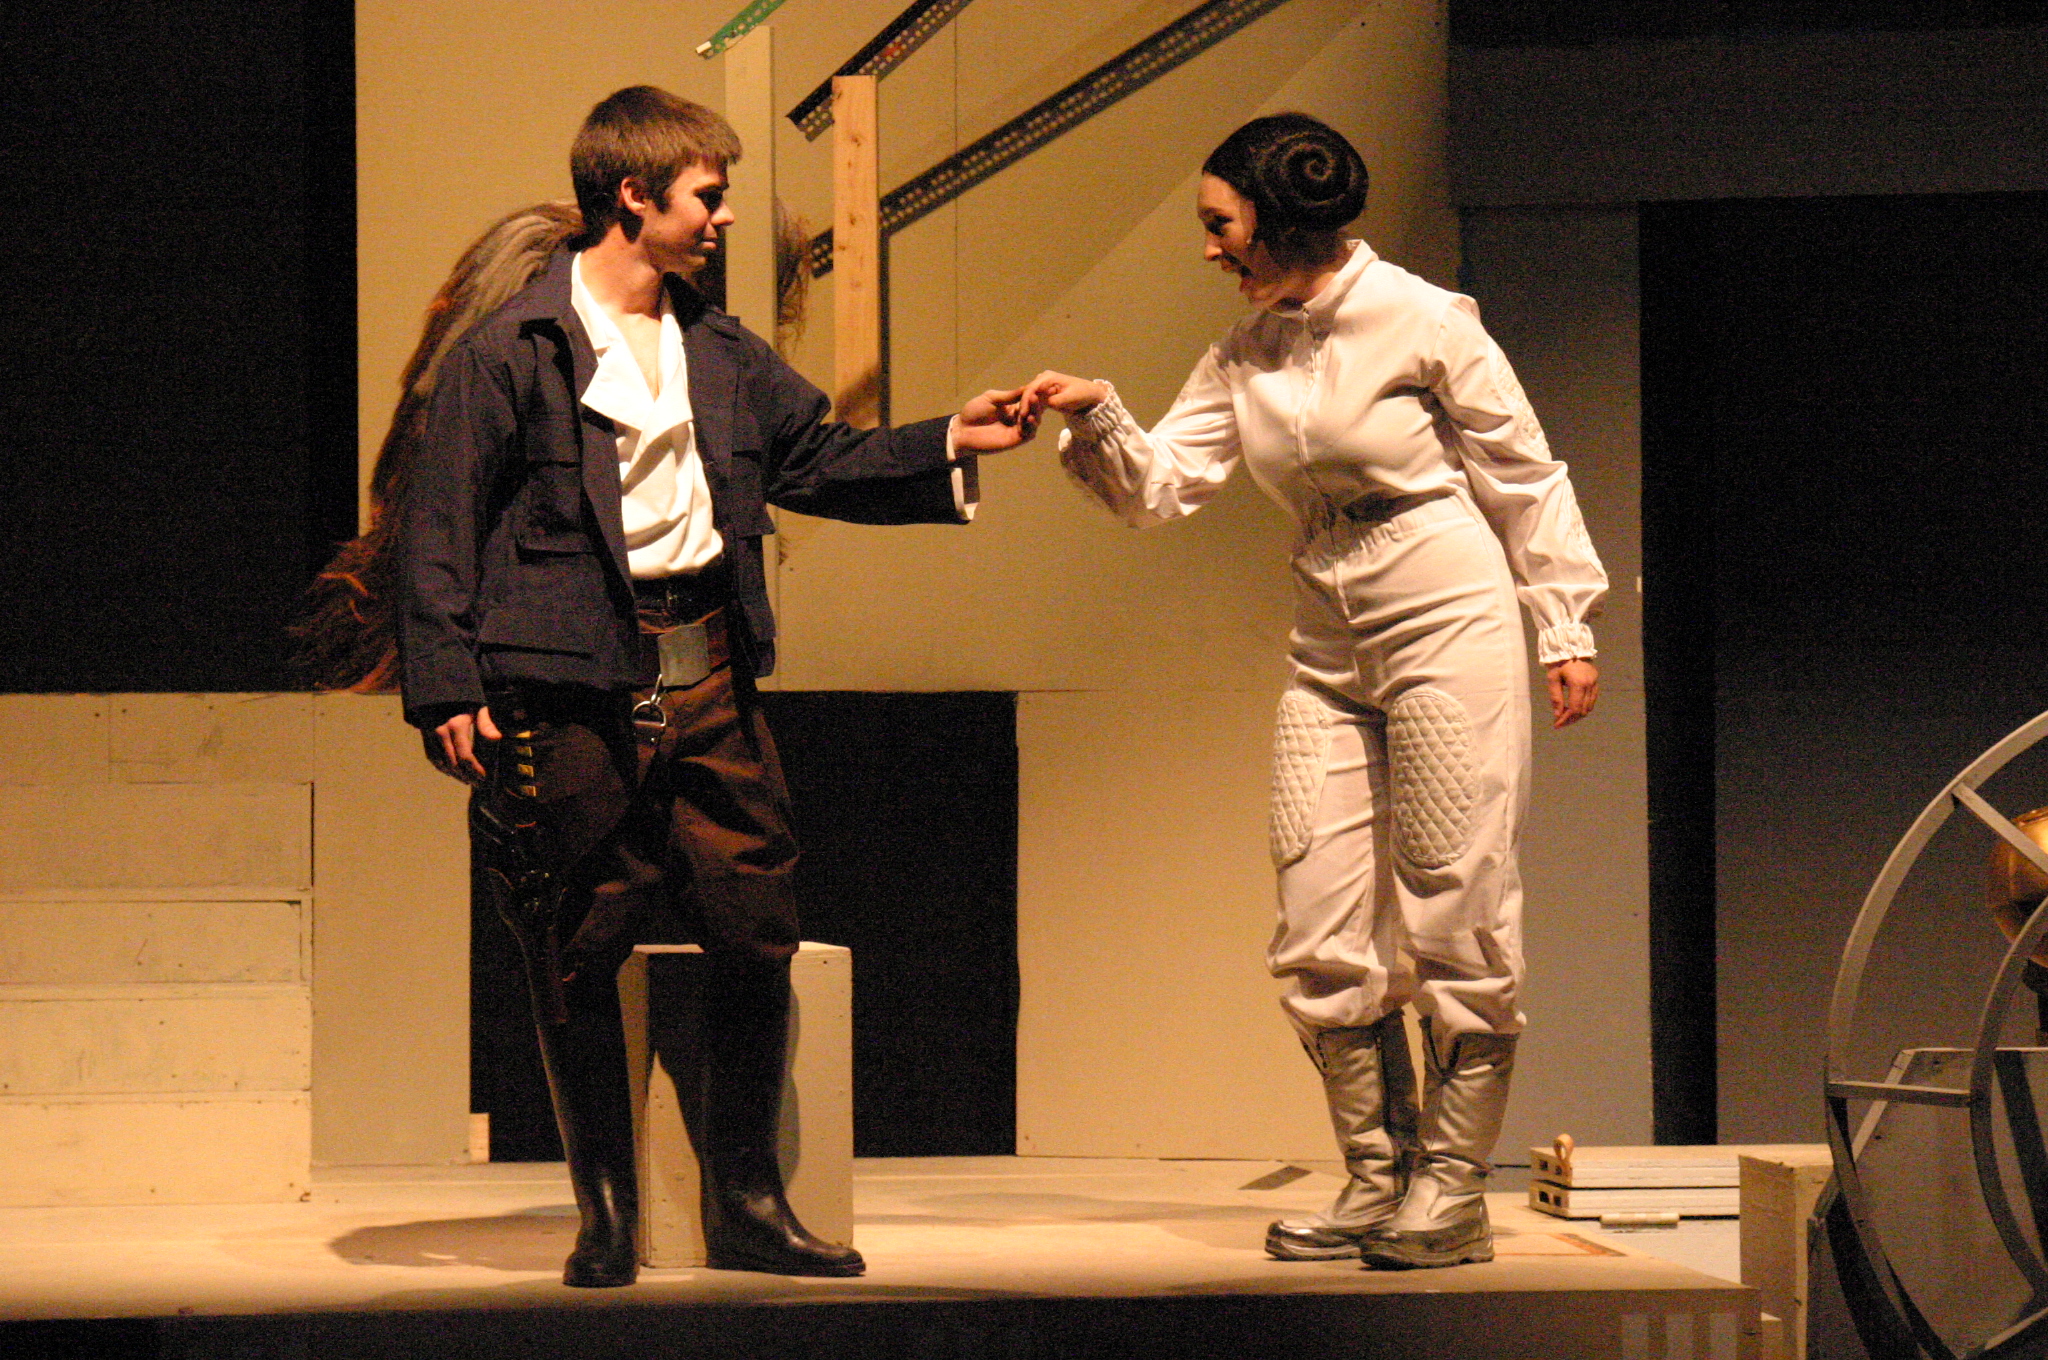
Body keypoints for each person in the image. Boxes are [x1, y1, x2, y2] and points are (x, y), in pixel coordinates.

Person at [394, 86, 1035, 1287]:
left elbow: (819, 458)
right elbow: (440, 526)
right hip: (570, 681)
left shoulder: (720, 349)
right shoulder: (513, 352)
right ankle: (606, 1215)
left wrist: (951, 439)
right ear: (633, 197)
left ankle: (744, 1200)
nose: (724, 215)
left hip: (708, 671)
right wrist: (446, 684)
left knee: (755, 920)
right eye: (707, 194)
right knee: (576, 936)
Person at [1020, 113, 1606, 1270]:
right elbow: (1158, 487)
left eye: (1220, 224)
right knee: (1316, 917)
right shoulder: (1248, 349)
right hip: (1328, 638)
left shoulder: (1425, 321)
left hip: (1443, 612)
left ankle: (1450, 1189)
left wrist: (1561, 621)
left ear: (1278, 218)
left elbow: (1522, 473)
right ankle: (1376, 1177)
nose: (1209, 248)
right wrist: (1094, 410)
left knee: (1453, 894)